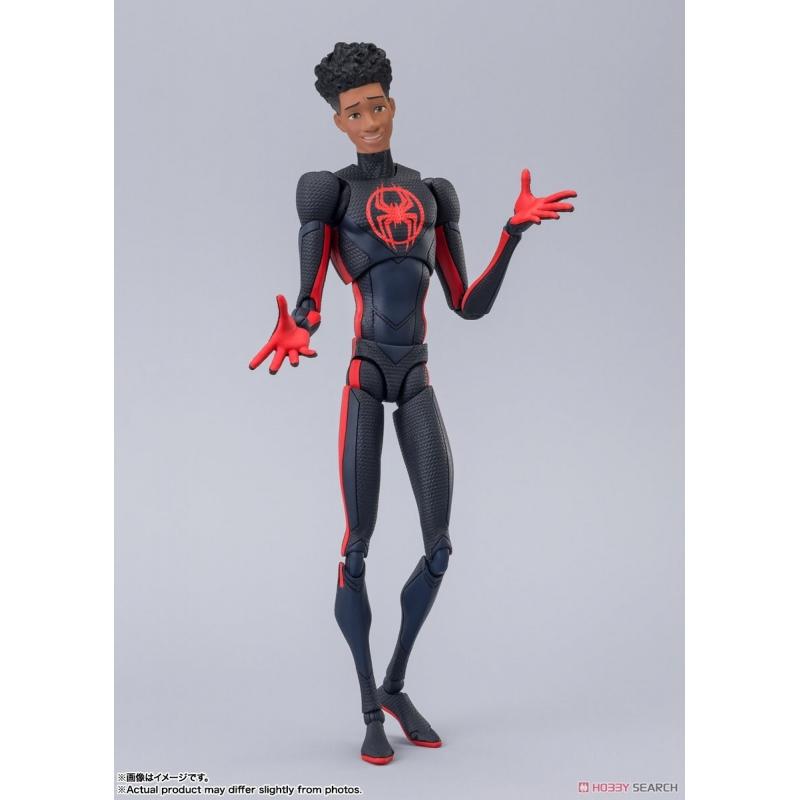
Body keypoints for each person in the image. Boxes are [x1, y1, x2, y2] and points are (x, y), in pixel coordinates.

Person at [250, 41, 577, 765]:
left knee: (439, 550)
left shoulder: (433, 195)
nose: (369, 121)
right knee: (357, 547)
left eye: (377, 106)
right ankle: (369, 708)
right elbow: (310, 296)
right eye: (353, 113)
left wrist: (512, 234)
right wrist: (299, 325)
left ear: (392, 104)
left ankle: (395, 684)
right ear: (337, 121)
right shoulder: (328, 192)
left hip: (417, 375)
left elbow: (468, 303)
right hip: (367, 375)